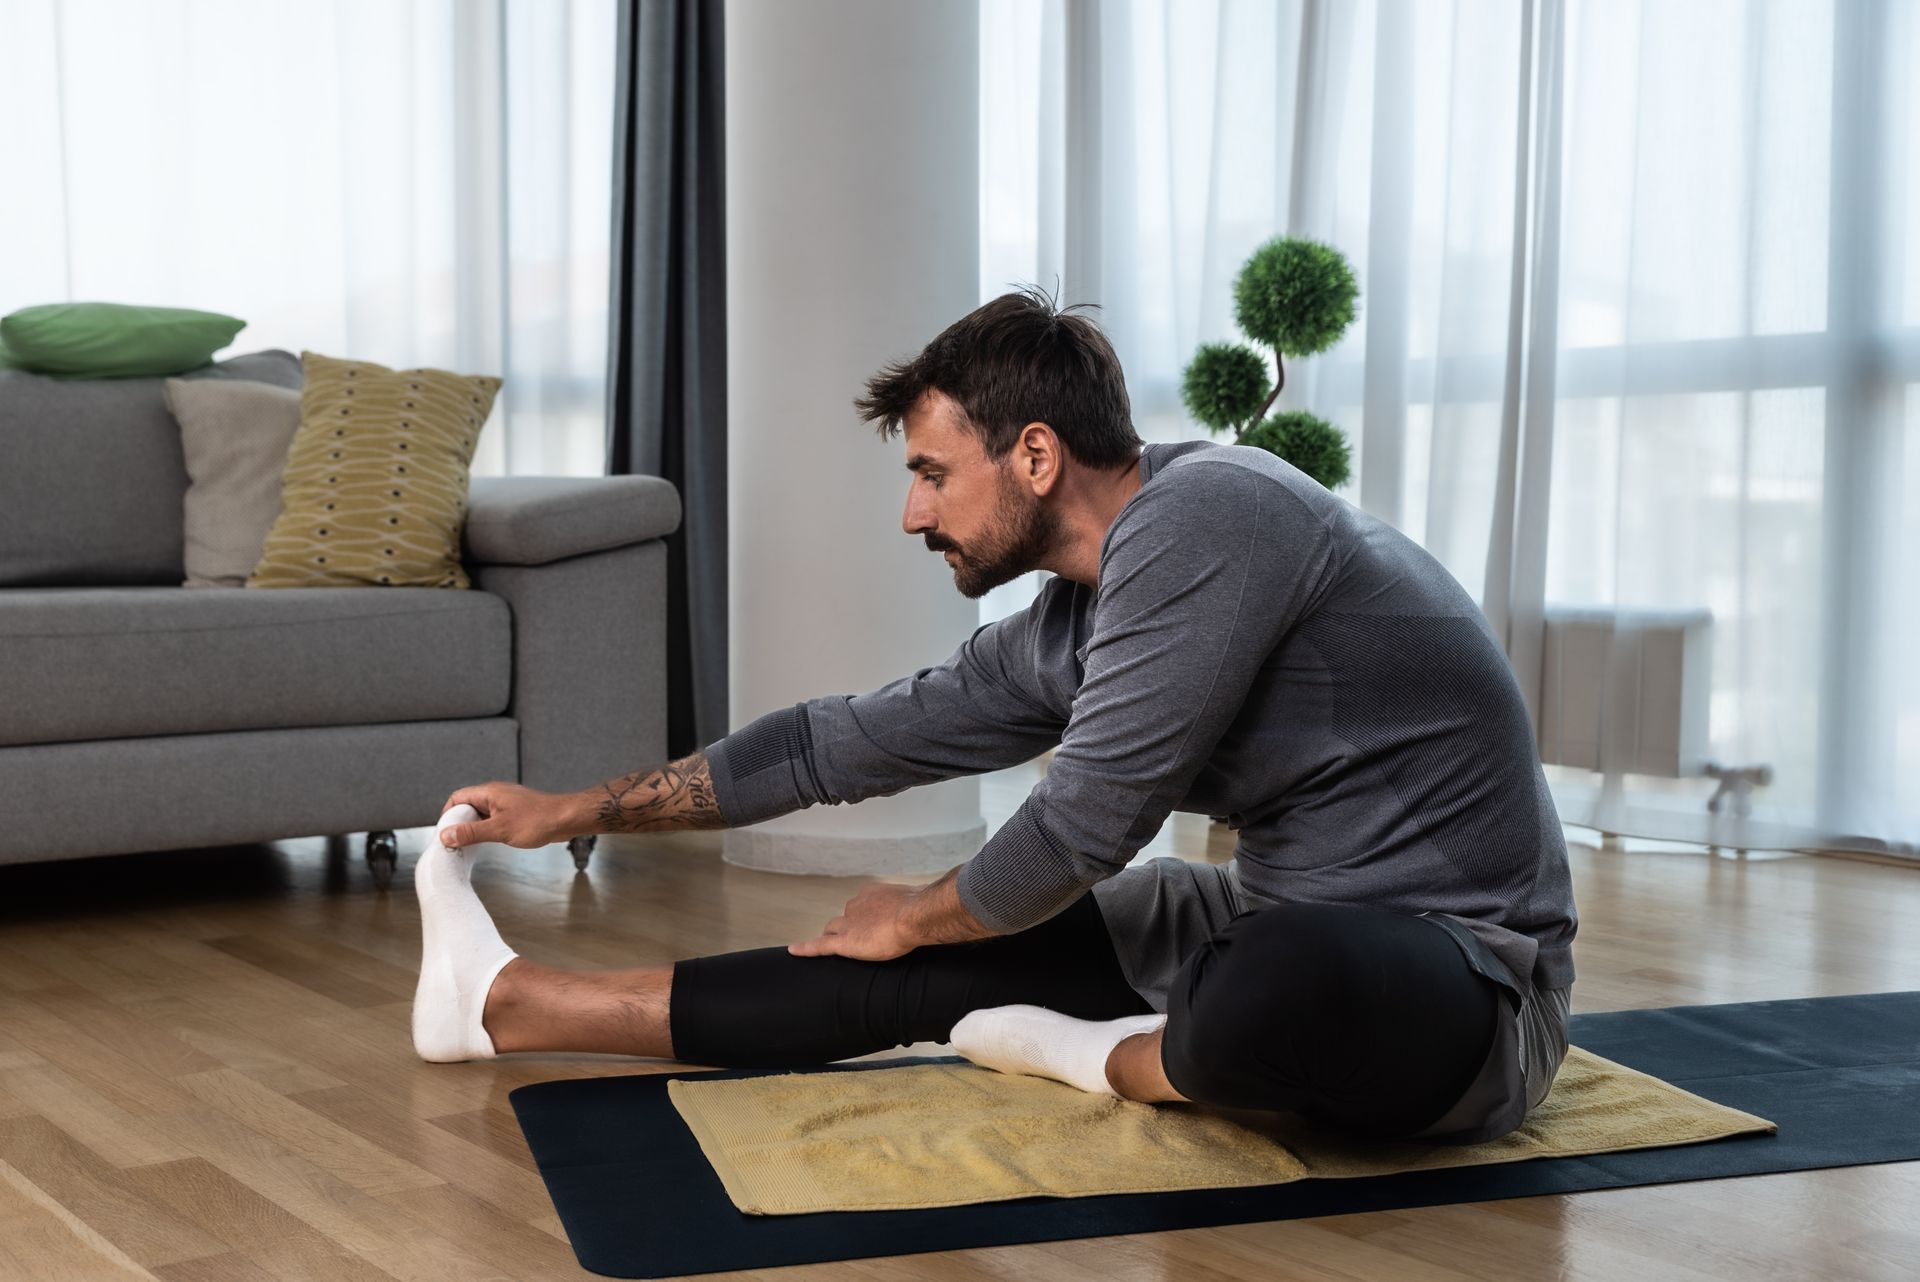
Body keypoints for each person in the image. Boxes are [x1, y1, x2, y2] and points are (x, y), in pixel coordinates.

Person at [410, 288, 1578, 1144]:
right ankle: (509, 1003)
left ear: (1032, 454)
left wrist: (922, 909)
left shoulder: (1214, 513)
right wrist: (578, 804)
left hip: (1470, 980)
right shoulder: (1074, 619)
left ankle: (1105, 1057)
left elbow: (1086, 824)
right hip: (1252, 927)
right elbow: (840, 741)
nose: (913, 514)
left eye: (931, 472)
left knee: (1264, 970)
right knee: (898, 963)